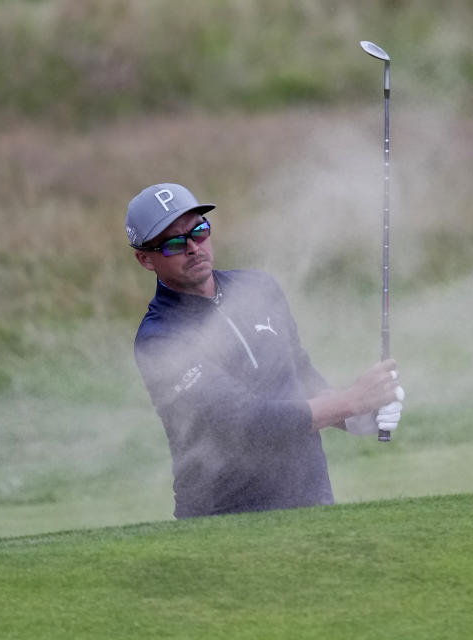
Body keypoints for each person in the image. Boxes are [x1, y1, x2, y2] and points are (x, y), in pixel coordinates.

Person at [126, 182, 405, 518]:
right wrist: (351, 400)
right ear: (145, 259)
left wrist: (357, 418)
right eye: (173, 243)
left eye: (199, 230)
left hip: (312, 502)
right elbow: (246, 423)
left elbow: (299, 374)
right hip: (226, 520)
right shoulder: (160, 339)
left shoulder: (257, 289)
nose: (193, 248)